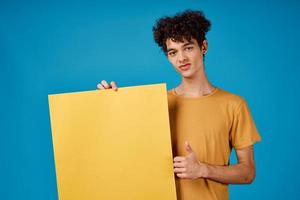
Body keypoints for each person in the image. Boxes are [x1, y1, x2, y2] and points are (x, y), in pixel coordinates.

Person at [97, 9, 261, 200]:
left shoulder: (234, 105)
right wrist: (109, 104)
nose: (181, 58)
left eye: (188, 48)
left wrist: (202, 169)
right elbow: (122, 149)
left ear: (204, 46)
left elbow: (247, 173)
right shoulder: (157, 103)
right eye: (173, 52)